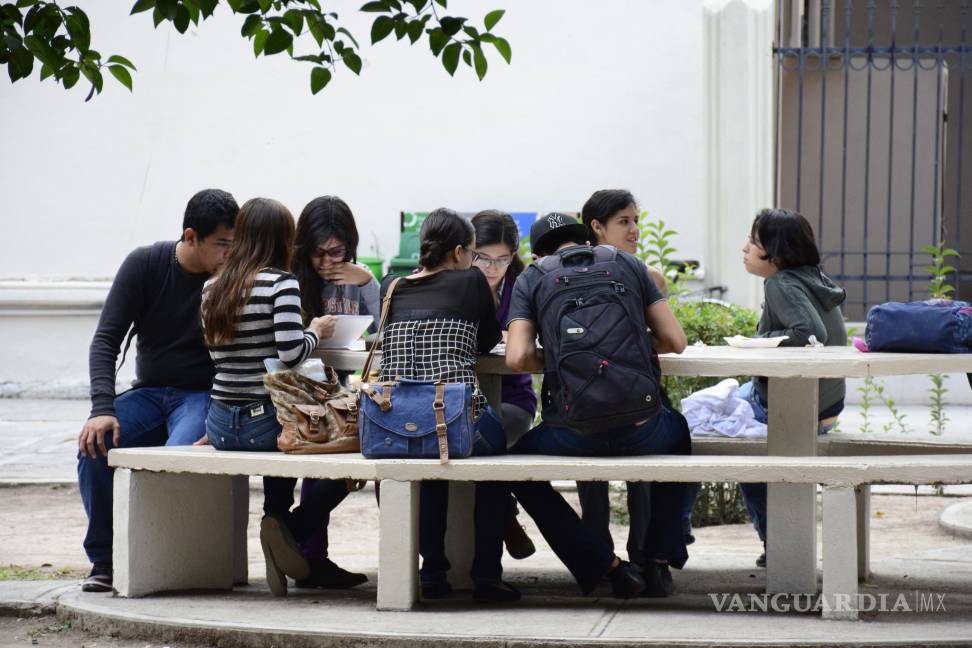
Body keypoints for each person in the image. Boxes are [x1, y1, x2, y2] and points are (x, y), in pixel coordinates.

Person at [506, 211, 692, 597]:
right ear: (588, 241)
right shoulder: (627, 264)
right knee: (679, 433)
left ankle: (605, 566)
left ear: (540, 253)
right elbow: (674, 340)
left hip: (573, 433)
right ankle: (658, 562)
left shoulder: (533, 277)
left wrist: (558, 358)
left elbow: (518, 358)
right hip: (644, 429)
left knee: (513, 470)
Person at [77, 188, 238, 593]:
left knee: (176, 461)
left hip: (201, 397)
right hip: (149, 392)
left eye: (235, 245)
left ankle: (162, 563)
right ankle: (105, 562)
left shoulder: (233, 279)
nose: (229, 255)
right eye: (222, 245)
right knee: (94, 445)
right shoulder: (146, 264)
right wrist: (101, 407)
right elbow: (105, 340)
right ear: (190, 237)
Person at [201, 197, 363, 597]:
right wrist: (317, 331)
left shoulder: (212, 285)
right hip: (263, 422)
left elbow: (215, 353)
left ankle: (278, 527)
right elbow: (291, 353)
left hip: (220, 423)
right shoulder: (280, 282)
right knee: (351, 453)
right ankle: (287, 529)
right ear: (283, 238)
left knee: (283, 428)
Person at [684, 208, 847, 567]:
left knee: (687, 428)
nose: (744, 248)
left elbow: (809, 335)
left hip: (792, 408)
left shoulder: (780, 283)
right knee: (709, 414)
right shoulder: (811, 278)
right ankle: (773, 541)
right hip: (823, 406)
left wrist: (755, 341)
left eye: (753, 241)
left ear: (776, 252)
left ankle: (675, 536)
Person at [374, 208, 518, 601]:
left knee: (427, 448)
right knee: (495, 457)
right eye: (473, 252)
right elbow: (486, 341)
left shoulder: (391, 284)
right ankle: (487, 575)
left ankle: (433, 571)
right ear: (458, 252)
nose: (475, 261)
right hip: (453, 415)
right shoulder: (471, 281)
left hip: (394, 421)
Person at [289, 195, 378, 588]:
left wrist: (370, 283)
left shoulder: (360, 280)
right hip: (304, 392)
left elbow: (383, 331)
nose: (327, 262)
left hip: (348, 389)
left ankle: (297, 538)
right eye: (317, 253)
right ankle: (309, 554)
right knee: (320, 463)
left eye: (337, 252)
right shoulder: (293, 283)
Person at [577, 189, 670, 566]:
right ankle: (634, 560)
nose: (634, 230)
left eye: (635, 221)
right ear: (597, 227)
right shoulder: (645, 277)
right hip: (618, 395)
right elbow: (668, 339)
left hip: (602, 395)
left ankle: (625, 557)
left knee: (641, 473)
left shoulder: (649, 277)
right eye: (624, 222)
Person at [469, 210, 538, 560]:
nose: (493, 268)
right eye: (482, 257)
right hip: (460, 398)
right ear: (467, 252)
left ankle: (486, 566)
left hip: (513, 396)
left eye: (502, 259)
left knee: (487, 438)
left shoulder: (523, 284)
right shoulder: (458, 283)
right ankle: (507, 517)